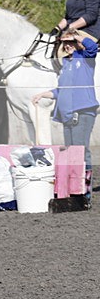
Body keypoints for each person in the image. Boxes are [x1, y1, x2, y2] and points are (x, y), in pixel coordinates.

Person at [32, 28, 98, 209]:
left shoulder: (85, 59)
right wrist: (43, 94)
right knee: (70, 153)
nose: (67, 46)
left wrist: (77, 37)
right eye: (65, 43)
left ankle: (84, 195)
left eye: (70, 42)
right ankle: (74, 191)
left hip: (83, 112)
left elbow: (92, 47)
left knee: (81, 152)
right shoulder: (66, 65)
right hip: (68, 114)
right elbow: (61, 91)